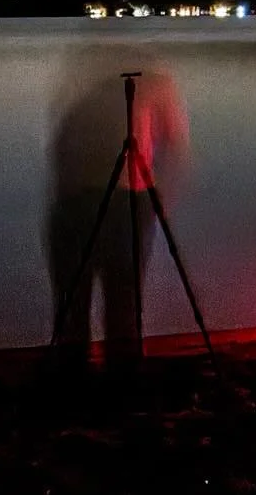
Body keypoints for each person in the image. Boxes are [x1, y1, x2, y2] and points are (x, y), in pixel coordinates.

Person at [45, 57, 190, 366]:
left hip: (107, 200)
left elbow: (174, 148)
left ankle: (91, 370)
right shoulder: (148, 79)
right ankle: (109, 369)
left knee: (96, 299)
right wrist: (160, 200)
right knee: (106, 298)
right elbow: (175, 147)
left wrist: (157, 200)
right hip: (96, 201)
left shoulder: (94, 75)